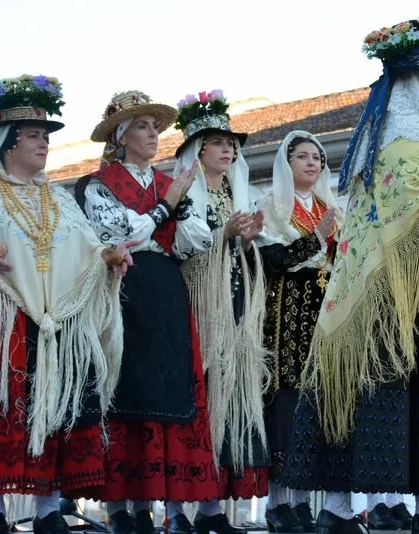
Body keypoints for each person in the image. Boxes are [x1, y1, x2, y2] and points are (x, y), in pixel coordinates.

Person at [279, 12, 419, 534]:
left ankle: (348, 508)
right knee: (408, 387)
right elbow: (409, 210)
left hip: (378, 282)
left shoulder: (385, 129)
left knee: (381, 387)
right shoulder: (410, 135)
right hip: (401, 286)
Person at [0, 75, 133, 534]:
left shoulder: (59, 197)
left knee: (57, 407)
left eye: (45, 137)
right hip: (1, 321)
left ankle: (50, 506)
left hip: (59, 324)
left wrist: (109, 257)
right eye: (34, 135)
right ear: (7, 143)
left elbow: (88, 247)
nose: (44, 145)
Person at [73, 91, 231, 534]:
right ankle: (122, 506)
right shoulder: (98, 184)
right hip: (124, 288)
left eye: (155, 127)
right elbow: (119, 232)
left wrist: (173, 208)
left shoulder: (167, 182)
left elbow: (192, 238)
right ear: (121, 137)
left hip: (165, 290)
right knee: (125, 388)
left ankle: (163, 501)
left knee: (167, 389)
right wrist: (165, 209)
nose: (153, 135)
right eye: (142, 127)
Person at [173, 90, 272, 530]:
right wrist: (222, 236)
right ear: (198, 151)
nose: (228, 149)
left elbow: (238, 253)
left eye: (231, 143)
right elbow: (181, 250)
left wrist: (244, 241)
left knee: (229, 397)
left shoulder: (235, 194)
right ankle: (177, 508)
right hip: (195, 306)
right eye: (218, 142)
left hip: (231, 304)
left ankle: (213, 508)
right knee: (195, 399)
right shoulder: (185, 196)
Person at [255, 130, 340, 533]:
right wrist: (320, 236)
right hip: (286, 316)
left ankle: (305, 501)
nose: (313, 163)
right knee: (285, 403)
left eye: (318, 158)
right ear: (287, 164)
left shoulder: (329, 207)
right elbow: (276, 260)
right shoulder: (271, 206)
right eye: (303, 156)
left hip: (324, 316)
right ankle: (277, 503)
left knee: (316, 404)